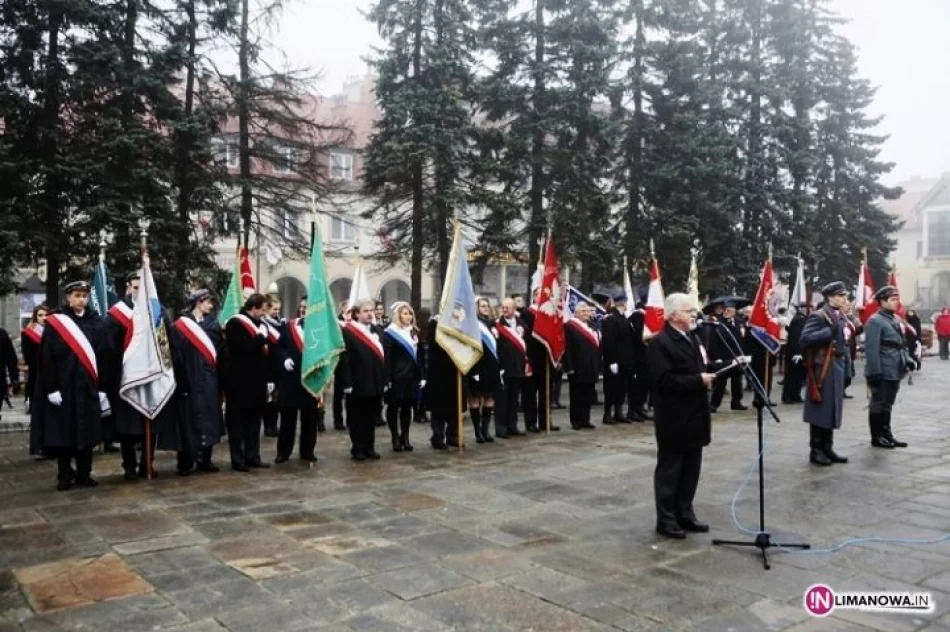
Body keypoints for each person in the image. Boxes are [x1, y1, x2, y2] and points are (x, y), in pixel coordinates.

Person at [30, 281, 110, 490]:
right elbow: (47, 358)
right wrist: (51, 388)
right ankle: (64, 475)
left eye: (84, 295)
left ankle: (84, 473)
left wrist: (102, 388)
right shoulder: (57, 323)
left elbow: (104, 357)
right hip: (64, 386)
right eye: (77, 295)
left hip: (88, 386)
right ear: (68, 297)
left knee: (88, 431)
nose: (81, 299)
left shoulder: (96, 323)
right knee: (64, 433)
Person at [649, 294, 715, 539]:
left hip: (696, 415)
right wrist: (698, 380)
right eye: (689, 311)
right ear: (674, 315)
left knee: (691, 470)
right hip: (674, 417)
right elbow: (664, 381)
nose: (694, 315)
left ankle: (685, 513)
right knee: (671, 471)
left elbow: (701, 367)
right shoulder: (660, 343)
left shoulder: (694, 337)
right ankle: (666, 520)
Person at [106, 272, 177, 479]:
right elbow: (109, 350)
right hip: (127, 379)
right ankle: (129, 465)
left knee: (152, 422)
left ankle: (148, 463)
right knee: (128, 428)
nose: (140, 292)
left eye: (144, 288)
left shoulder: (158, 312)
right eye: (136, 288)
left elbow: (168, 343)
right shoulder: (116, 316)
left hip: (152, 378)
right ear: (128, 288)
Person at [171, 290, 223, 475]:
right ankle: (185, 462)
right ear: (198, 303)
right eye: (208, 302)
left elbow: (219, 353)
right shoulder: (180, 326)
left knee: (209, 419)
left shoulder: (214, 326)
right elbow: (176, 356)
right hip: (188, 380)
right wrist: (181, 381)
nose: (211, 306)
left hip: (208, 379)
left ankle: (205, 460)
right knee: (187, 421)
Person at [800, 282, 850, 466]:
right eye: (841, 295)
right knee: (820, 408)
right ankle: (816, 449)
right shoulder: (819, 316)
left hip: (837, 364)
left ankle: (828, 447)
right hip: (823, 367)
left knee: (832, 407)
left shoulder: (840, 315)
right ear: (830, 297)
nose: (845, 299)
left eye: (845, 295)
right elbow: (805, 339)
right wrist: (829, 331)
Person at [224, 293, 273, 471]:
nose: (264, 314)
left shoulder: (260, 325)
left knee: (254, 423)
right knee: (238, 424)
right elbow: (244, 349)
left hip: (257, 383)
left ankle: (253, 456)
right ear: (252, 307)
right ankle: (238, 459)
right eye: (262, 310)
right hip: (239, 384)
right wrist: (260, 338)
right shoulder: (235, 324)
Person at [864, 286, 914, 449]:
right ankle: (876, 437)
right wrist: (874, 371)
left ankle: (887, 433)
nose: (896, 302)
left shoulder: (895, 319)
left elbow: (902, 344)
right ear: (882, 301)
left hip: (895, 368)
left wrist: (907, 359)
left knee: (888, 403)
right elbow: (871, 349)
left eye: (896, 299)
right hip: (882, 369)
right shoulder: (875, 321)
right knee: (878, 403)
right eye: (892, 300)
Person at [338, 300, 385, 461]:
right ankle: (357, 448)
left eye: (371, 310)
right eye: (365, 311)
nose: (370, 313)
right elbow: (345, 359)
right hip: (357, 382)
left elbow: (382, 359)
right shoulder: (349, 331)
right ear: (357, 314)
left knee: (371, 417)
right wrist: (347, 382)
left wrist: (383, 380)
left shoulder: (378, 330)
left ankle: (369, 447)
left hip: (375, 382)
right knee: (356, 417)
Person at [274, 312, 322, 463]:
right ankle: (283, 452)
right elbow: (279, 348)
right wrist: (284, 359)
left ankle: (307, 451)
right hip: (290, 379)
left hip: (311, 379)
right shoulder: (289, 327)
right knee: (288, 419)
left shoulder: (321, 329)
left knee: (309, 419)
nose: (305, 311)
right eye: (303, 308)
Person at [383, 302, 423, 452]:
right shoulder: (390, 333)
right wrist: (387, 379)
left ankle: (405, 437)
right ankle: (395, 437)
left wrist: (422, 376)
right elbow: (387, 358)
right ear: (398, 316)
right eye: (405, 314)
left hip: (411, 377)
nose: (408, 316)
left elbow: (418, 356)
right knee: (393, 407)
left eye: (410, 313)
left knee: (407, 407)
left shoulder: (414, 332)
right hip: (396, 377)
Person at [522, 294, 560, 433]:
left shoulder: (549, 313)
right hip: (532, 358)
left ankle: (545, 421)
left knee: (546, 393)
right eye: (540, 295)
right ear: (533, 297)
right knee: (530, 394)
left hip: (546, 359)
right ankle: (531, 423)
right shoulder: (527, 313)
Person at [563, 301, 600, 430]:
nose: (586, 313)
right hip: (577, 366)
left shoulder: (592, 325)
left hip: (591, 365)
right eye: (583, 311)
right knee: (576, 395)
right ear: (576, 312)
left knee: (588, 395)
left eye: (587, 311)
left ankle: (586, 419)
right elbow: (567, 348)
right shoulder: (570, 326)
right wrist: (569, 366)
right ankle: (576, 420)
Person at [467, 298, 500, 443]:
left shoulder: (493, 323)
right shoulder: (473, 325)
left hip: (491, 366)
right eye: (483, 306)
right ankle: (477, 432)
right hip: (477, 366)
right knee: (475, 400)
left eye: (487, 306)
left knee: (489, 399)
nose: (486, 308)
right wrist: (473, 370)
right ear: (477, 308)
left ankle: (486, 431)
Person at [495, 298, 528, 438]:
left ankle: (512, 425)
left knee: (514, 399)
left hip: (518, 367)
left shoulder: (522, 324)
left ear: (514, 309)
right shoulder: (497, 325)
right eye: (503, 307)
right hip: (503, 368)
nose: (504, 309)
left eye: (508, 307)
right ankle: (501, 428)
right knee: (502, 400)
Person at [601, 292, 635, 425]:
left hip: (625, 361)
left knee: (622, 387)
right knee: (611, 388)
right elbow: (609, 342)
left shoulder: (623, 319)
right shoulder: (611, 319)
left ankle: (618, 412)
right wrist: (611, 361)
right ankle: (607, 414)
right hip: (615, 360)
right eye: (626, 302)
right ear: (622, 302)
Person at [708, 301, 748, 412]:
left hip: (737, 356)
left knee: (737, 381)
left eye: (733, 310)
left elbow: (742, 339)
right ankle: (714, 404)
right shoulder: (718, 324)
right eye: (729, 310)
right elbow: (713, 342)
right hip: (723, 356)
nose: (731, 312)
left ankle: (736, 402)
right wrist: (716, 357)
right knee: (721, 382)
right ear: (725, 311)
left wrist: (743, 354)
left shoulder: (739, 322)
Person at [627, 293, 653, 422]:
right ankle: (633, 410)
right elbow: (638, 338)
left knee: (645, 384)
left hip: (646, 357)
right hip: (638, 357)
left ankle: (640, 408)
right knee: (637, 385)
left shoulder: (646, 316)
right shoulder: (638, 316)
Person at [261, 299, 283, 437]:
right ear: (267, 309)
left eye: (278, 309)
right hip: (268, 367)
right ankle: (268, 426)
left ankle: (274, 425)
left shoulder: (281, 324)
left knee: (276, 401)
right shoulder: (264, 325)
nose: (277, 312)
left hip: (279, 367)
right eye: (274, 309)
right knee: (267, 400)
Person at [21, 305, 47, 414]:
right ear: (35, 317)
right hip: (35, 365)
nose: (43, 317)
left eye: (46, 315)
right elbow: (26, 352)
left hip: (48, 365)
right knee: (33, 384)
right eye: (40, 315)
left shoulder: (52, 331)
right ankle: (31, 404)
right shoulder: (28, 332)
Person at [781, 304, 807, 404]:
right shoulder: (799, 320)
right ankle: (787, 395)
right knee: (791, 375)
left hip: (799, 352)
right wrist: (798, 352)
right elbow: (797, 338)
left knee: (799, 375)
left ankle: (796, 394)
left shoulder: (802, 319)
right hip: (795, 353)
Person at [331, 301, 349, 431]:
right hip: (340, 362)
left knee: (351, 394)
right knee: (338, 393)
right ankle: (338, 420)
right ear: (343, 310)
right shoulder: (336, 323)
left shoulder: (354, 324)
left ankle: (350, 418)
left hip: (352, 363)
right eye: (347, 310)